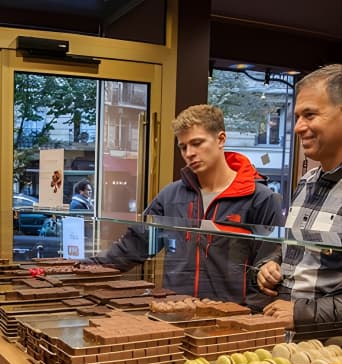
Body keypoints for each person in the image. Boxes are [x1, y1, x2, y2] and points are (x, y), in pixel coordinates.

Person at [87, 104, 285, 308]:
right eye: (183, 147)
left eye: (197, 143)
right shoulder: (171, 196)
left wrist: (246, 320)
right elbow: (134, 246)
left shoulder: (260, 198)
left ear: (221, 139)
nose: (189, 153)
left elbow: (268, 270)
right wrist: (84, 269)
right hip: (175, 313)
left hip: (230, 321)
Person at [258, 64, 342, 330]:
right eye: (297, 117)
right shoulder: (306, 183)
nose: (297, 127)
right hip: (291, 347)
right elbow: (292, 254)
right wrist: (270, 265)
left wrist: (303, 314)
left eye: (310, 115)